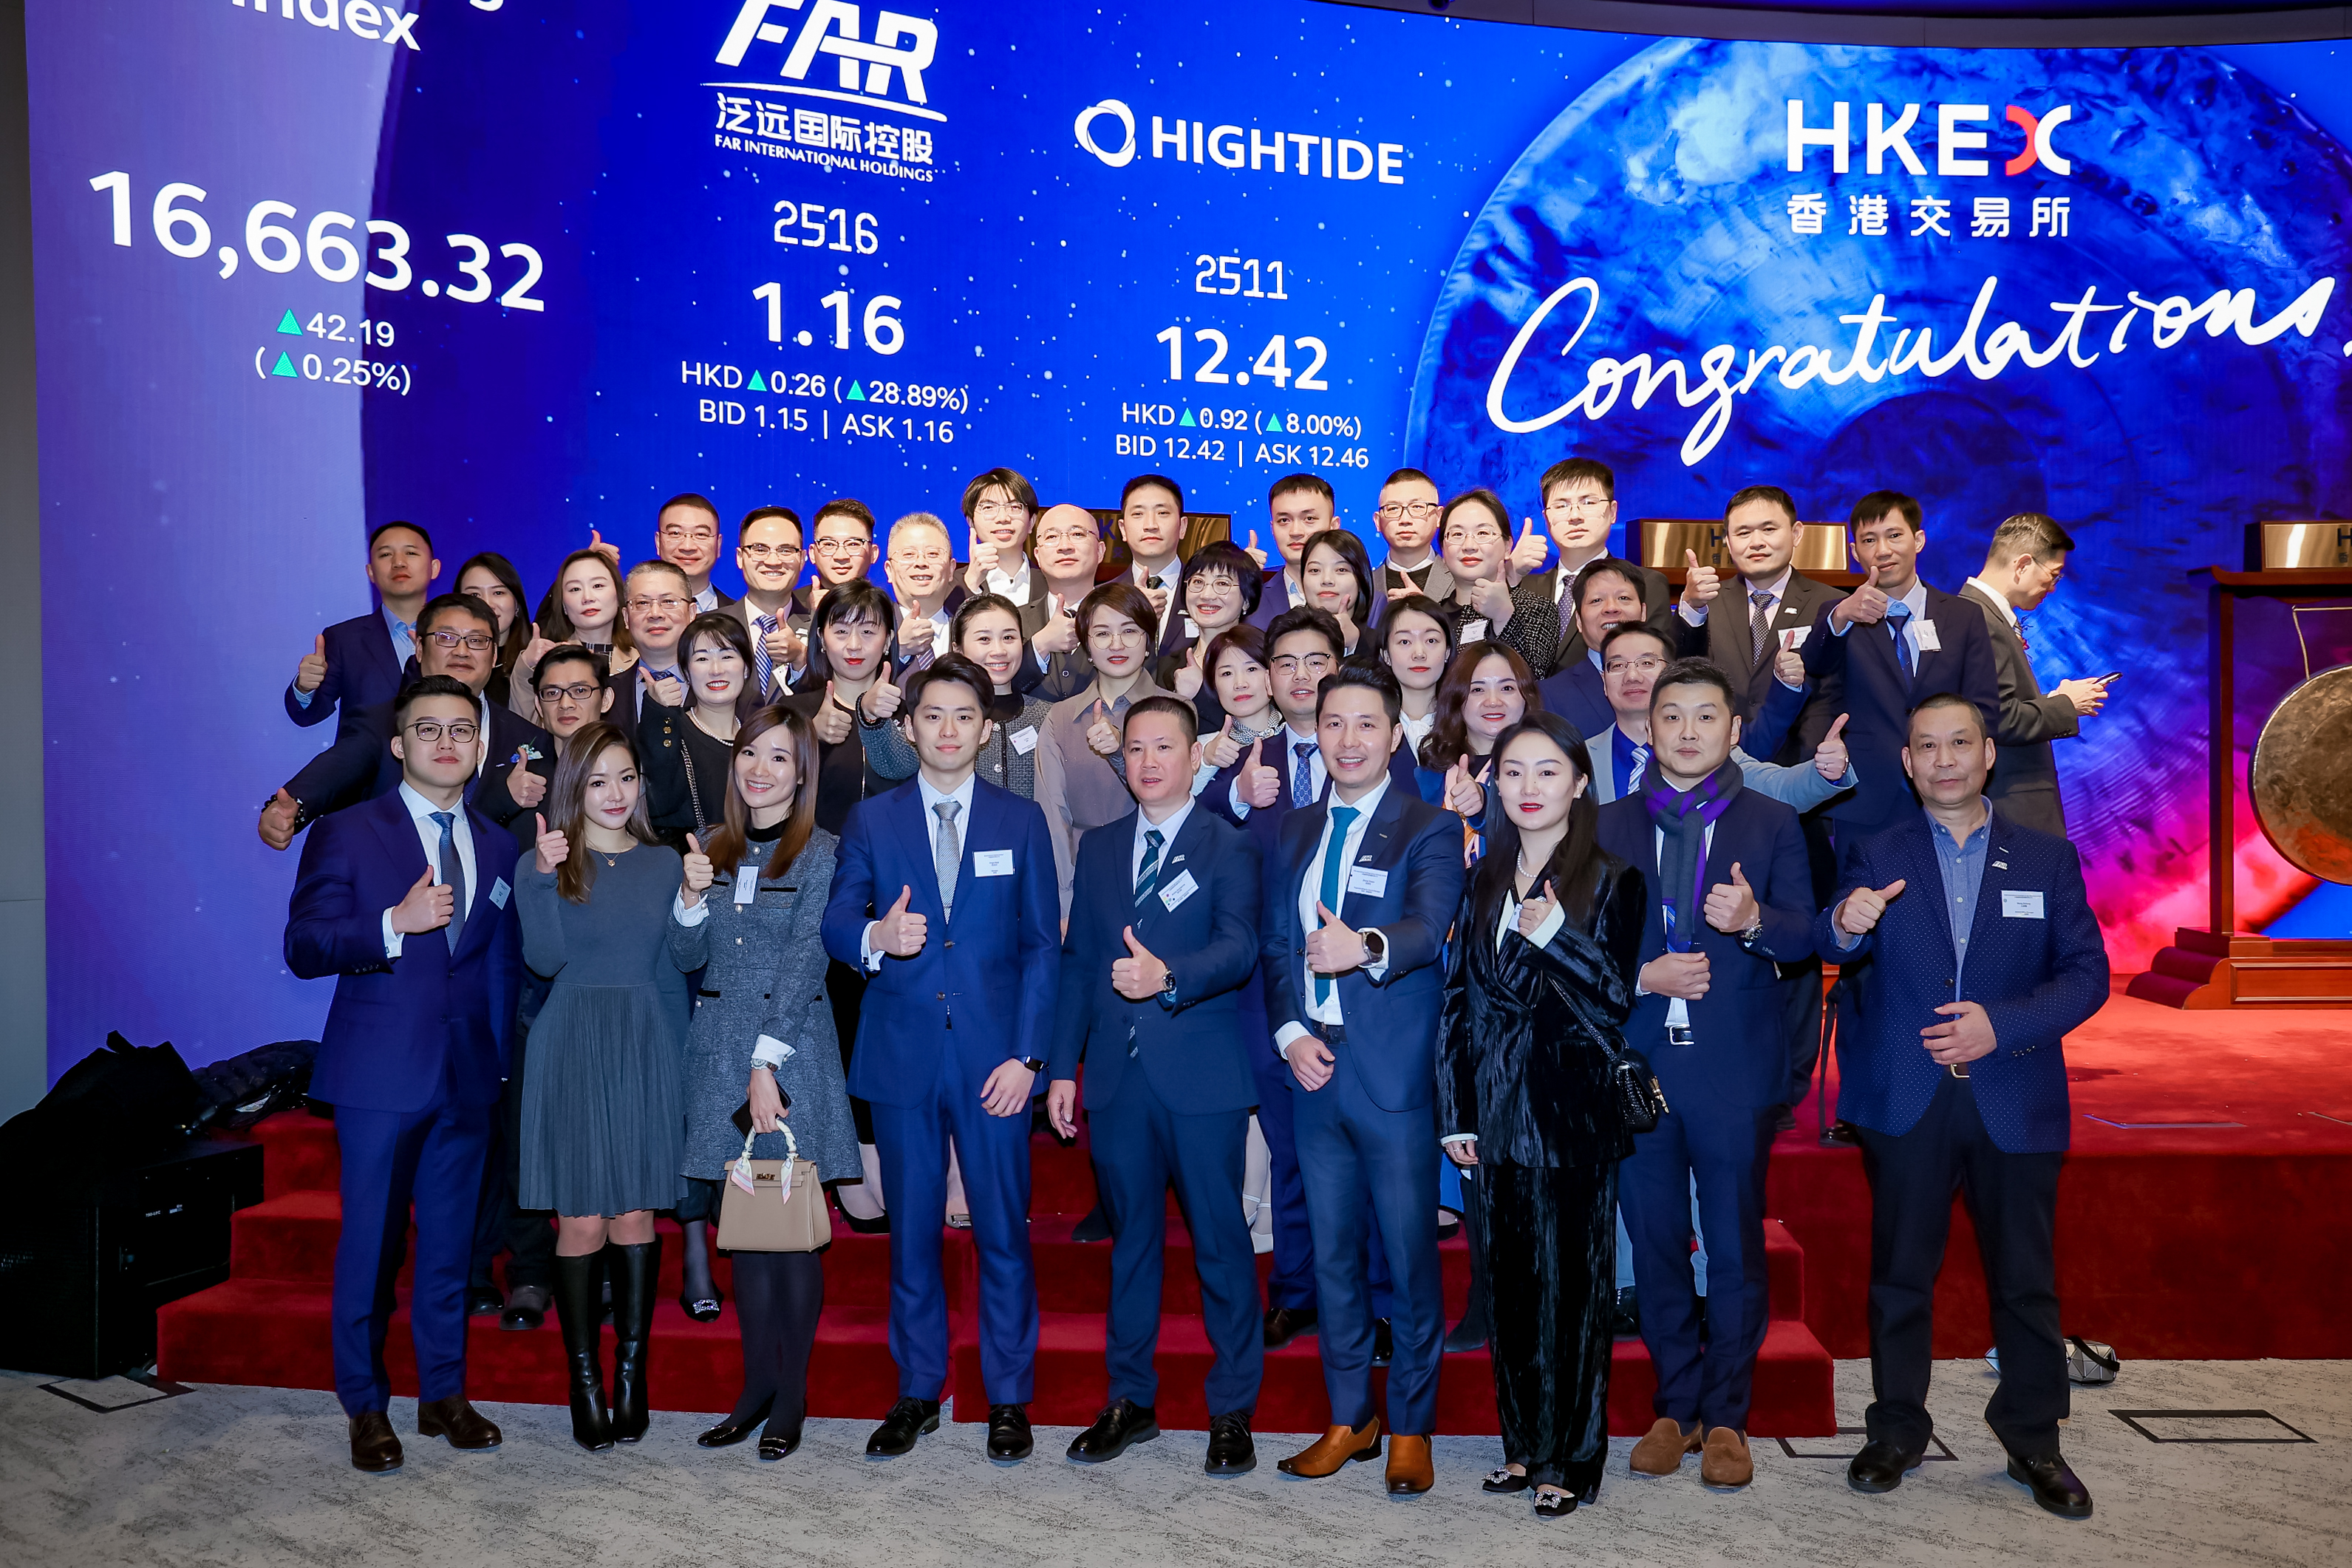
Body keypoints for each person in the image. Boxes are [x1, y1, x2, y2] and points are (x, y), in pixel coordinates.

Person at [1818, 692, 2109, 1518]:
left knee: (2025, 1281)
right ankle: (1895, 1432)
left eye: (1959, 744)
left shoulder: (2047, 858)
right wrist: (1844, 923)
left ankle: (2034, 1439)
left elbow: (2087, 974)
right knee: (1900, 1278)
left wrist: (2000, 1026)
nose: (1943, 760)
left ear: (1987, 755)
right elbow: (1832, 941)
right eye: (1926, 746)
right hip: (1906, 1098)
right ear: (1906, 763)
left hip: (2013, 1092)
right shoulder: (1874, 850)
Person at [820, 654, 1060, 1464]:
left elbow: (1042, 948)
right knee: (912, 1235)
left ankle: (1009, 1396)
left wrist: (1029, 1057)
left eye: (964, 715)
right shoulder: (872, 820)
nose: (948, 729)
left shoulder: (1020, 820)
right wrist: (875, 936)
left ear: (986, 729)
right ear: (909, 726)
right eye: (932, 715)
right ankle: (917, 1390)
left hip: (997, 1066)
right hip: (902, 1058)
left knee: (1002, 1235)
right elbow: (835, 922)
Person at [285, 672, 521, 1472]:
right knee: (370, 1248)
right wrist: (394, 922)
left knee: (451, 1250)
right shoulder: (348, 831)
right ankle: (365, 1405)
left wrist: (497, 1068)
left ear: (480, 748)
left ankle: (443, 1394)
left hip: (467, 1078)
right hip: (378, 1077)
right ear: (398, 744)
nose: (446, 743)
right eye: (428, 729)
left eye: (462, 730)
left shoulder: (498, 844)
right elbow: (304, 945)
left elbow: (497, 966)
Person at [1595, 658, 1816, 1491]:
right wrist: (1640, 975)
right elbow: (1578, 946)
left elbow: (1806, 935)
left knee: (1731, 1247)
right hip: (1639, 1065)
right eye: (1672, 716)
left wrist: (1755, 922)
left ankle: (1727, 1414)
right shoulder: (1607, 825)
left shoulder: (1771, 823)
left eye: (1705, 717)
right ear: (1649, 728)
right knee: (1654, 1243)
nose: (1687, 732)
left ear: (1733, 729)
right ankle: (1675, 1405)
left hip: (1732, 1067)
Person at [1045, 696, 1266, 1474]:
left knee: (1221, 1245)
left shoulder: (1227, 844)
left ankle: (1232, 1408)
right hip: (1116, 1078)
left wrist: (1167, 975)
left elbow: (1239, 948)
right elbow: (1079, 963)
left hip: (1200, 1077)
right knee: (1132, 1244)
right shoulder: (1102, 846)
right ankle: (1129, 1400)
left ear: (1193, 756)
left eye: (1164, 747)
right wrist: (1061, 1065)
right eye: (1135, 747)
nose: (1147, 761)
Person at [1262, 662, 1465, 1496]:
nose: (1348, 740)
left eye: (1366, 724)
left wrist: (1365, 947)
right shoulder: (1294, 828)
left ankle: (1410, 1425)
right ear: (1316, 733)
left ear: (1393, 735)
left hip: (1392, 1076)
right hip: (1314, 1070)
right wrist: (1288, 1033)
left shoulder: (1429, 825)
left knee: (1410, 1259)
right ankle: (1351, 1417)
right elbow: (1278, 943)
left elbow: (1430, 924)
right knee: (1334, 1259)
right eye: (1333, 724)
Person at [1438, 713, 1644, 1516]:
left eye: (1548, 771)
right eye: (1514, 771)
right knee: (1511, 1291)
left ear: (1580, 783)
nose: (1529, 787)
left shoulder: (1612, 878)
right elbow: (1457, 1004)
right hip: (1493, 1120)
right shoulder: (1483, 878)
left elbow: (1616, 996)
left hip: (1571, 1119)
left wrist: (1558, 933)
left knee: (1575, 1299)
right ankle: (1524, 1446)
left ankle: (1574, 1458)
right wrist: (1456, 1111)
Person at [672, 704, 859, 1460]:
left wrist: (765, 1065)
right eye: (751, 753)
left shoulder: (822, 853)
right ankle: (753, 1390)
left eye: (780, 757)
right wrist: (689, 899)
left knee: (789, 1237)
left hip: (791, 1053)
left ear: (802, 772)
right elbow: (686, 958)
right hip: (716, 1051)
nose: (760, 769)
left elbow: (808, 960)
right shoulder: (710, 847)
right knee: (744, 1236)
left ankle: (791, 1396)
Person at [516, 722, 692, 1451]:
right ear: (573, 789)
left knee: (636, 1218)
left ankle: (630, 1375)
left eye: (626, 777)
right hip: (572, 1044)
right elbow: (544, 960)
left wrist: (693, 901)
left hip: (645, 1041)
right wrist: (538, 876)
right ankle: (584, 1380)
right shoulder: (548, 861)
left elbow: (683, 964)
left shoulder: (664, 862)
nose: (615, 793)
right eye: (597, 781)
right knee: (582, 1222)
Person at [780, 579, 902, 1230]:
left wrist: (880, 723)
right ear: (819, 638)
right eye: (841, 628)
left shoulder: (910, 704)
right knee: (828, 1038)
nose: (854, 643)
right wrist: (811, 738)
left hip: (893, 900)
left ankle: (881, 1159)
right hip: (809, 901)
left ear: (889, 639)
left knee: (881, 1036)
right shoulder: (793, 708)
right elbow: (759, 793)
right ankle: (849, 1170)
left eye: (868, 629)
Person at [260, 593, 553, 853]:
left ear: (494, 655)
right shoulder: (382, 721)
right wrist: (294, 806)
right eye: (446, 637)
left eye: (477, 641)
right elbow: (338, 768)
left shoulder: (530, 737)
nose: (462, 651)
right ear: (420, 649)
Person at [1799, 491, 2000, 839]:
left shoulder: (1963, 616)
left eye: (1894, 535)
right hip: (1864, 797)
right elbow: (1814, 666)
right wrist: (1841, 615)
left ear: (1918, 540)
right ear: (1855, 552)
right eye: (1869, 540)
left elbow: (1984, 708)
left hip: (1949, 789)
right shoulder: (1839, 615)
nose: (1883, 550)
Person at [1585, 625, 1850, 809]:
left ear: (1671, 673)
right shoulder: (1578, 756)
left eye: (1647, 663)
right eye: (1617, 665)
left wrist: (1824, 771)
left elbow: (1780, 789)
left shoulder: (1711, 748)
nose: (1632, 676)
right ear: (1604, 681)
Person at [1960, 513, 2110, 836]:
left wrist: (2054, 699)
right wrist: (2067, 705)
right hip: (2011, 806)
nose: (2053, 588)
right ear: (2023, 564)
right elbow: (1997, 719)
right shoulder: (1979, 619)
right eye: (2053, 575)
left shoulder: (1981, 615)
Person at [1677, 485, 1845, 750]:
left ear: (1796, 533)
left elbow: (1835, 691)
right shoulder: (1707, 603)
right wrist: (1692, 607)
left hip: (1803, 761)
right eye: (1743, 533)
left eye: (1769, 529)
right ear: (1728, 541)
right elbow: (1682, 673)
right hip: (1717, 758)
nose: (1756, 542)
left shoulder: (1833, 605)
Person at [1037, 583, 1170, 916]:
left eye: (1130, 631)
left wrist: (1120, 752)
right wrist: (1064, 903)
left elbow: (1172, 799)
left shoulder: (1177, 711)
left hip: (1159, 875)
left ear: (1149, 641)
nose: (1116, 644)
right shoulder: (1060, 717)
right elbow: (1053, 819)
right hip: (1083, 881)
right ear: (1086, 646)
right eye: (1102, 634)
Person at [866, 593, 1054, 800]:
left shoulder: (1048, 716)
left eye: (1008, 638)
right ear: (958, 649)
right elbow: (893, 765)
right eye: (984, 639)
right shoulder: (937, 713)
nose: (999, 650)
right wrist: (871, 716)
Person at [1511, 458, 1674, 672]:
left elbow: (1652, 665)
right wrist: (1510, 575)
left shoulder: (1646, 584)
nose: (1575, 516)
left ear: (1613, 512)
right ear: (1547, 519)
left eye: (1588, 503)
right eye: (1561, 506)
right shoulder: (1522, 587)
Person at [287, 521, 439, 728]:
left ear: (434, 568)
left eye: (411, 553)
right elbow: (307, 716)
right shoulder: (344, 639)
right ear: (370, 572)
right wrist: (305, 689)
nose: (399, 563)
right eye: (386, 554)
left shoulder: (458, 636)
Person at [641, 613, 757, 845]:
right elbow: (657, 804)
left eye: (727, 656)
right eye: (702, 659)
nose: (716, 670)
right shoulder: (668, 732)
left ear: (746, 668)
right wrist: (658, 714)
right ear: (686, 672)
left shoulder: (760, 738)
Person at [1434, 488, 1559, 676]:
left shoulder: (1535, 609)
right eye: (1457, 534)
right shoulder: (1433, 618)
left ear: (1508, 547)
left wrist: (1504, 617)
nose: (1469, 546)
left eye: (1483, 533)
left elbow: (1533, 680)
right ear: (1443, 551)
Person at [1536, 558, 1656, 737]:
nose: (1611, 608)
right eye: (1597, 600)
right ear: (1578, 621)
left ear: (1643, 612)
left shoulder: (1671, 681)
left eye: (1623, 598)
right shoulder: (1549, 695)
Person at [1417, 641, 1541, 812]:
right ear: (1457, 700)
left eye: (1507, 688)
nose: (1493, 701)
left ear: (1526, 697)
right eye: (1477, 690)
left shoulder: (1544, 770)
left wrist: (1484, 801)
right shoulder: (1428, 774)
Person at [512, 549, 633, 725]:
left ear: (618, 594)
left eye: (598, 586)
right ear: (564, 606)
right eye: (575, 589)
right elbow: (522, 728)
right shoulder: (549, 662)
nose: (587, 597)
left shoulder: (642, 658)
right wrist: (526, 667)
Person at [1159, 539, 1261, 722]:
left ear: (1246, 600)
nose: (1206, 595)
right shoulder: (1169, 666)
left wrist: (1199, 693)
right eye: (1198, 582)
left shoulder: (1262, 658)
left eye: (1222, 584)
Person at [1022, 502, 1109, 701]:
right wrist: (1039, 646)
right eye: (1052, 537)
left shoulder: (1127, 618)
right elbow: (995, 693)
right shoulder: (1013, 621)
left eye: (1077, 534)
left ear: (1100, 551)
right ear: (1037, 556)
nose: (1065, 547)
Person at [726, 505, 812, 701]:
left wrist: (801, 657)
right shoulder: (709, 627)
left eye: (786, 550)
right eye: (759, 549)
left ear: (802, 559)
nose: (773, 561)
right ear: (740, 557)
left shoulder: (823, 628)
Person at [1246, 473, 1337, 627]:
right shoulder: (1250, 602)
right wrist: (1237, 578)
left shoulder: (1370, 602)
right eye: (1284, 520)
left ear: (1333, 526)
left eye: (1309, 519)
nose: (1295, 532)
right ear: (1272, 529)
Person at [1119, 474, 1190, 661]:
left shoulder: (1207, 593)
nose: (1150, 525)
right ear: (1123, 529)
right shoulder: (1102, 597)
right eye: (1138, 514)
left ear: (1182, 527)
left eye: (1162, 513)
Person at [1374, 596, 1453, 763]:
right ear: (1386, 655)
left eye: (1431, 640)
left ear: (1447, 651)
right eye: (1405, 642)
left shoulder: (1467, 724)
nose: (1419, 653)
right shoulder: (1371, 724)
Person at [883, 512, 964, 672]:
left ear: (951, 569)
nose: (921, 563)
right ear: (889, 571)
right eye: (909, 554)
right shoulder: (870, 630)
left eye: (933, 554)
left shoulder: (969, 631)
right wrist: (899, 651)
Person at [455, 552, 532, 709]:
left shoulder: (532, 662)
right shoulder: (451, 658)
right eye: (475, 594)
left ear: (517, 604)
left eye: (498, 593)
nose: (487, 604)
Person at [960, 467, 1043, 609]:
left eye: (1015, 507)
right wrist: (971, 582)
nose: (1003, 518)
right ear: (971, 522)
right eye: (988, 508)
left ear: (1031, 522)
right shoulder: (949, 587)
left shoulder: (1053, 584)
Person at [1373, 468, 1452, 601]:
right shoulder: (1361, 587)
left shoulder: (1462, 582)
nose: (1405, 520)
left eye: (1417, 507)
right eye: (1393, 508)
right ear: (1378, 521)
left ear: (1439, 517)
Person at [1300, 528, 1379, 659]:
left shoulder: (1382, 644)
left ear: (1361, 579)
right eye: (1315, 570)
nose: (1327, 580)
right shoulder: (1284, 638)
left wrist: (1355, 645)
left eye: (1341, 570)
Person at [656, 492, 734, 613]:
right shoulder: (628, 615)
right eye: (675, 533)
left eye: (701, 534)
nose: (687, 547)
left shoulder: (740, 619)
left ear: (718, 545)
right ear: (658, 542)